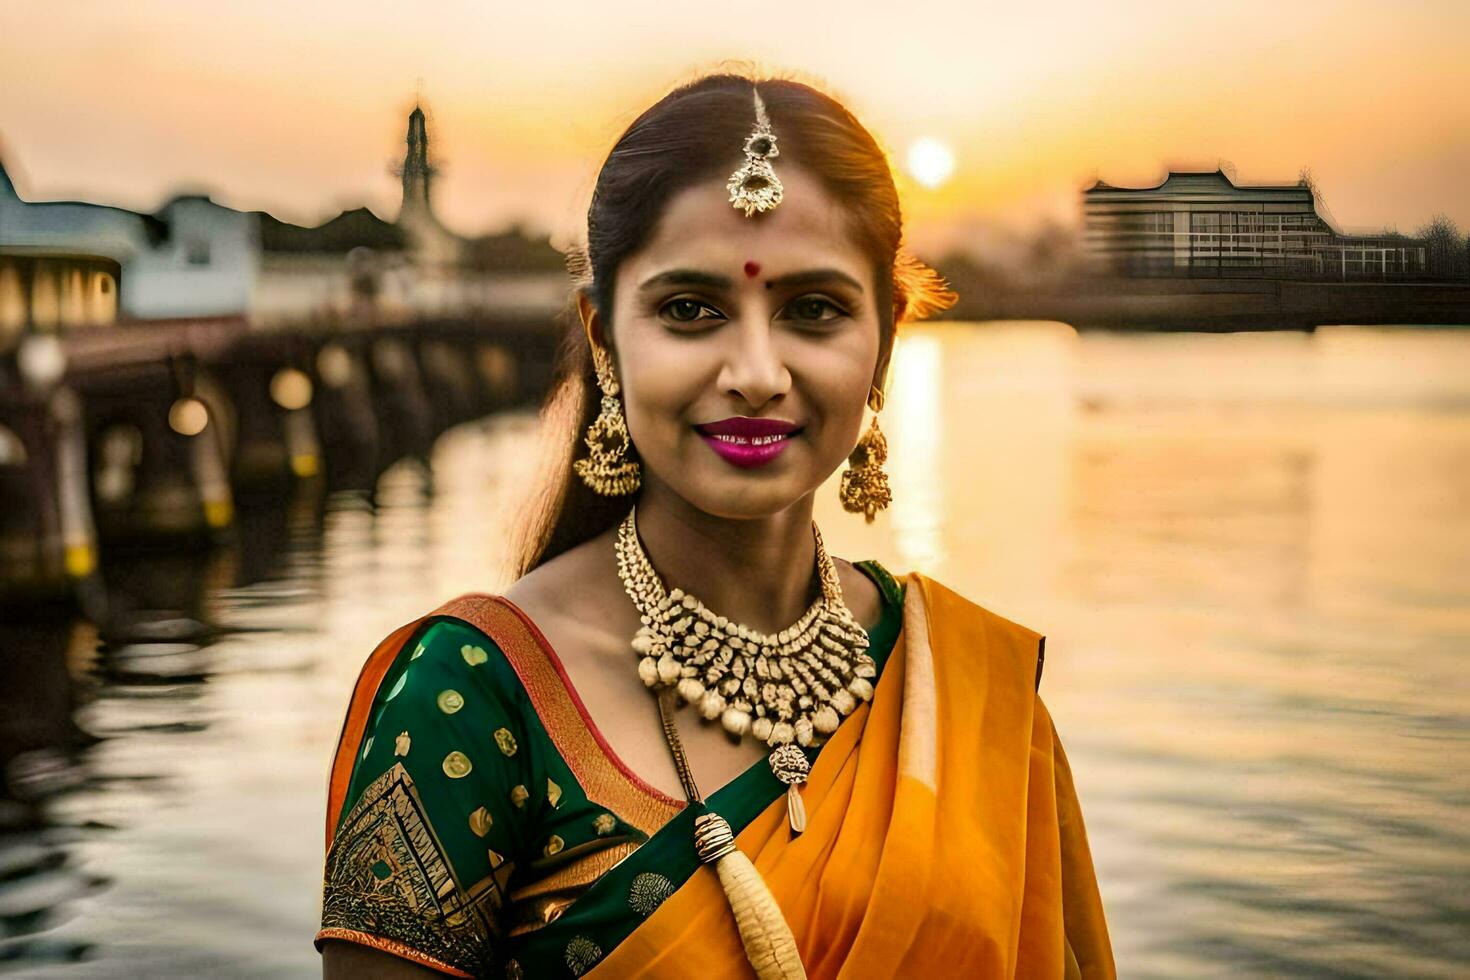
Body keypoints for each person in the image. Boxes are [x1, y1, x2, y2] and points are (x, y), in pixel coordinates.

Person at [316, 70, 1114, 979]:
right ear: (604, 337)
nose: (756, 372)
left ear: (886, 339)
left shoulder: (967, 685)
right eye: (690, 309)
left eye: (813, 309)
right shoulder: (471, 693)